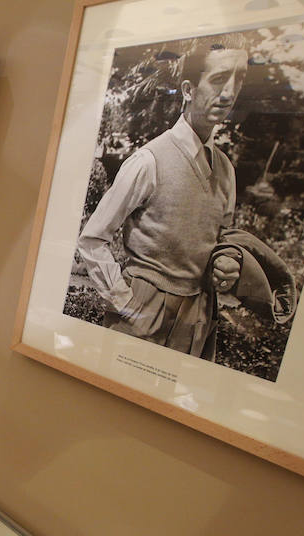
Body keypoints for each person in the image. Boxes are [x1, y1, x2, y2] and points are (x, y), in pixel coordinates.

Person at [76, 41, 249, 359]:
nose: (229, 92)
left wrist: (227, 263)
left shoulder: (226, 169)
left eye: (239, 79)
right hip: (145, 309)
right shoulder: (149, 160)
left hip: (197, 316)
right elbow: (92, 239)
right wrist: (125, 301)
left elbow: (222, 240)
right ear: (188, 89)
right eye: (219, 78)